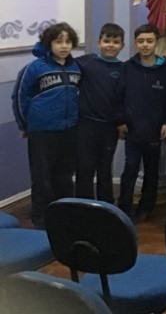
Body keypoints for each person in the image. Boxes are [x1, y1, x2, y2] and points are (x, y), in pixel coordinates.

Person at [14, 22, 81, 229]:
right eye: (58, 41)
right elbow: (19, 96)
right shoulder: (35, 68)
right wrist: (25, 125)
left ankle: (65, 213)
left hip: (69, 130)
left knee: (65, 176)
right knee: (42, 176)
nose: (64, 46)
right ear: (49, 44)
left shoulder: (76, 67)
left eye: (68, 42)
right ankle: (41, 218)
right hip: (42, 131)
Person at [118, 24, 166, 220]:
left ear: (156, 43)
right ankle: (124, 205)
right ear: (135, 43)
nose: (145, 45)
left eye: (149, 41)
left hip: (155, 129)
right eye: (141, 41)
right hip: (132, 129)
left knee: (152, 169)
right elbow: (119, 96)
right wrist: (120, 121)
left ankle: (147, 206)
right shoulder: (127, 67)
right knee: (130, 168)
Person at [75, 23, 125, 203]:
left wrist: (121, 122)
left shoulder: (123, 69)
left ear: (122, 45)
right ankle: (83, 205)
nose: (111, 45)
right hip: (86, 126)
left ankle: (106, 205)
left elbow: (123, 100)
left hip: (109, 127)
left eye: (116, 42)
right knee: (84, 168)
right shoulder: (85, 63)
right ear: (99, 43)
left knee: (105, 169)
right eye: (106, 41)